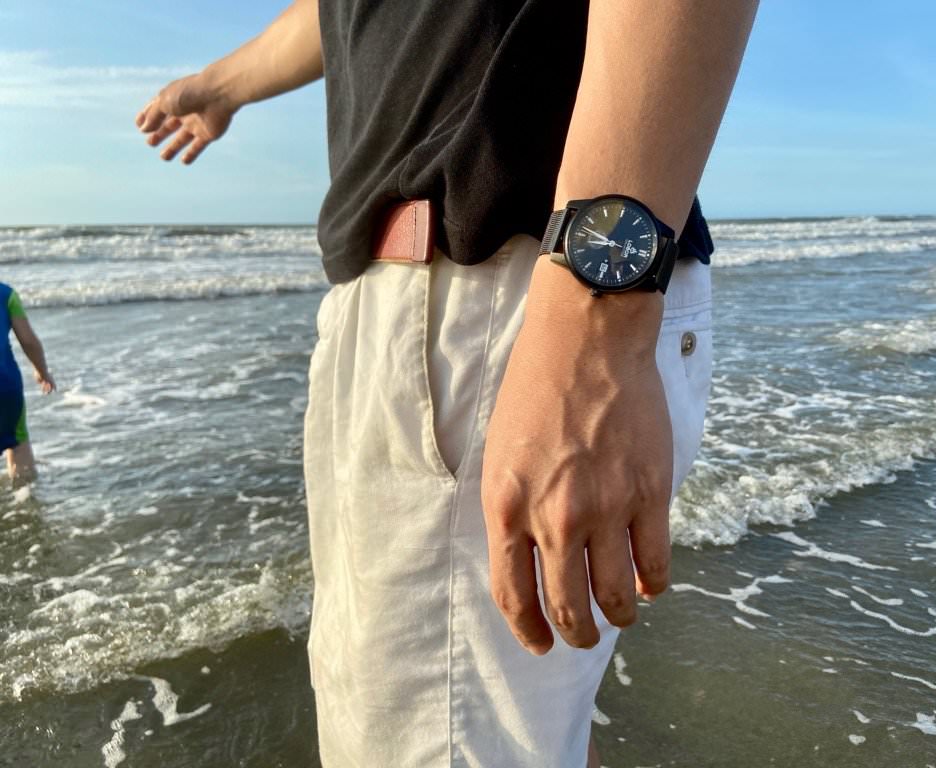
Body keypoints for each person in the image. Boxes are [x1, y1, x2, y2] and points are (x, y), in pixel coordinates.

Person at [136, 1, 758, 765]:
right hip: (446, 301)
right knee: (521, 735)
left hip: (511, 287)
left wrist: (595, 311)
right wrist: (222, 85)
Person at [0, 282, 55, 486]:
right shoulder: (6, 294)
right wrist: (42, 371)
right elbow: (29, 341)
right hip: (5, 386)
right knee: (17, 443)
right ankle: (25, 497)